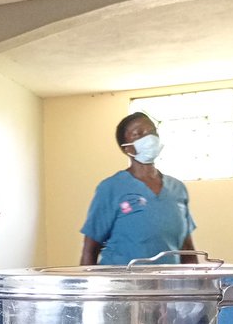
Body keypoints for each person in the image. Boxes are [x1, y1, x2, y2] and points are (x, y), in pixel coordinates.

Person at [80, 111, 198, 265]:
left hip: (168, 285)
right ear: (126, 148)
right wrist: (88, 286)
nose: (149, 137)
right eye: (138, 134)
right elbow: (90, 249)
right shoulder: (111, 188)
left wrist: (196, 285)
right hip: (123, 286)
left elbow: (187, 249)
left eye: (152, 132)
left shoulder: (177, 189)